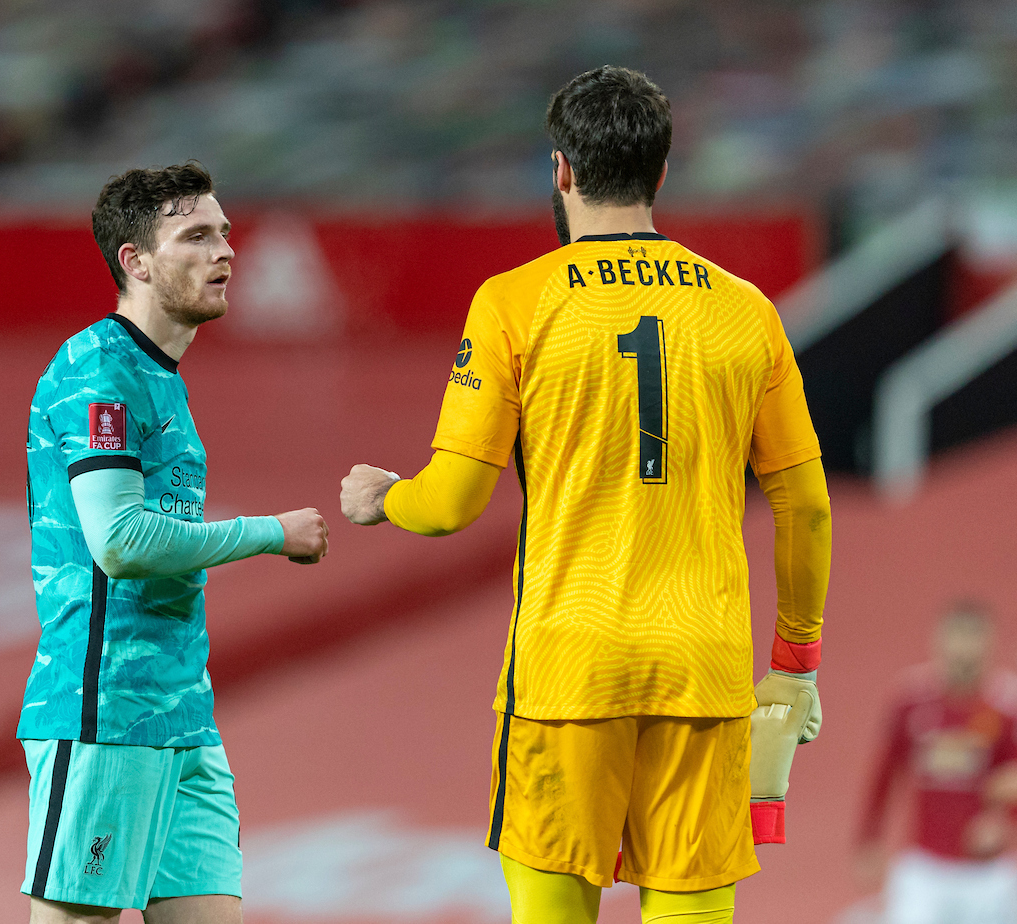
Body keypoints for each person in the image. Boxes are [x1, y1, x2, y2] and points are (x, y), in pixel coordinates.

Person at [340, 65, 832, 924]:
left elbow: (451, 502)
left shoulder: (512, 304)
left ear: (561, 170)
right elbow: (807, 505)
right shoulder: (747, 310)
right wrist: (794, 663)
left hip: (565, 672)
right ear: (663, 175)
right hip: (702, 670)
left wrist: (387, 499)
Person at [19, 162, 328, 924]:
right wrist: (271, 534)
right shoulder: (98, 368)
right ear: (137, 262)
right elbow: (119, 541)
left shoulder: (160, 375)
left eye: (224, 233)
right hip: (104, 716)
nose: (225, 250)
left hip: (182, 719)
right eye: (196, 236)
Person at [855, 603, 1017, 924]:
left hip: (987, 872)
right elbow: (885, 771)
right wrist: (869, 836)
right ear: (938, 640)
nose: (964, 649)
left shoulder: (1005, 705)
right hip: (924, 866)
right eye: (956, 637)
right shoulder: (912, 700)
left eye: (973, 639)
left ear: (989, 643)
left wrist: (1002, 820)